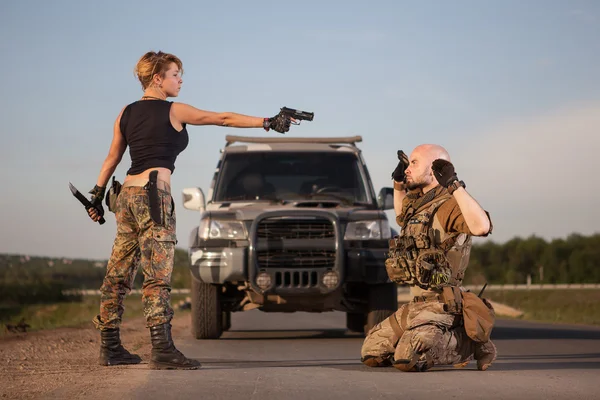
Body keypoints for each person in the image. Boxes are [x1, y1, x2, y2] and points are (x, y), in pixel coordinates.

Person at [86, 50, 294, 370]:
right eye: (174, 74)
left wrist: (97, 195)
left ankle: (109, 346)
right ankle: (162, 350)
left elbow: (111, 158)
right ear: (157, 79)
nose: (180, 80)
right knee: (158, 274)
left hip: (126, 196)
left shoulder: (125, 113)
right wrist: (268, 122)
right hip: (153, 194)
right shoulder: (174, 110)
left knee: (119, 271)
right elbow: (222, 118)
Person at [360, 144, 496, 372]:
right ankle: (422, 334)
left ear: (433, 170)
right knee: (371, 352)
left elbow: (482, 226)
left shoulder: (449, 205)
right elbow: (402, 216)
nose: (407, 169)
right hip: (416, 305)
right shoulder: (419, 204)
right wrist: (397, 183)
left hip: (443, 304)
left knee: (406, 358)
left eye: (414, 163)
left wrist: (454, 184)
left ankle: (472, 343)